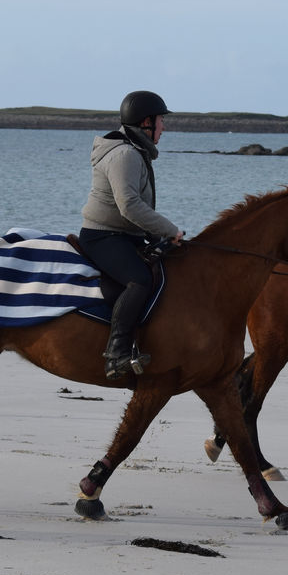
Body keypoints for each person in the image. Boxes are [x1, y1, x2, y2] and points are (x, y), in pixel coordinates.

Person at [79, 90, 185, 379]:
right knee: (139, 280)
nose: (164, 127)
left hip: (125, 234)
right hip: (103, 237)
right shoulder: (125, 154)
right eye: (161, 120)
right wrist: (169, 229)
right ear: (147, 122)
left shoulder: (134, 152)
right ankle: (117, 354)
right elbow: (129, 206)